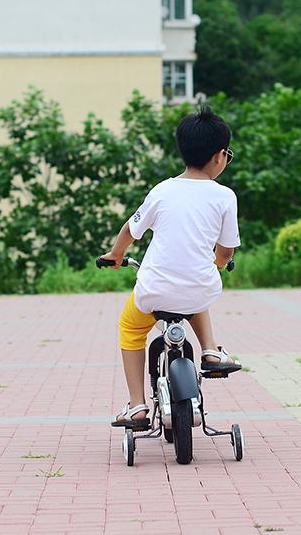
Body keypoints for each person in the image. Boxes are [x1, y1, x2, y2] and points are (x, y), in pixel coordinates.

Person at [99, 105, 242, 428]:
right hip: (198, 290)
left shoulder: (162, 191)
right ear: (220, 156)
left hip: (154, 292)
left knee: (131, 329)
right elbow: (226, 248)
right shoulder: (225, 197)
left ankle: (137, 406)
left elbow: (130, 231)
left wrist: (116, 254)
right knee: (198, 287)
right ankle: (209, 351)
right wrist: (218, 263)